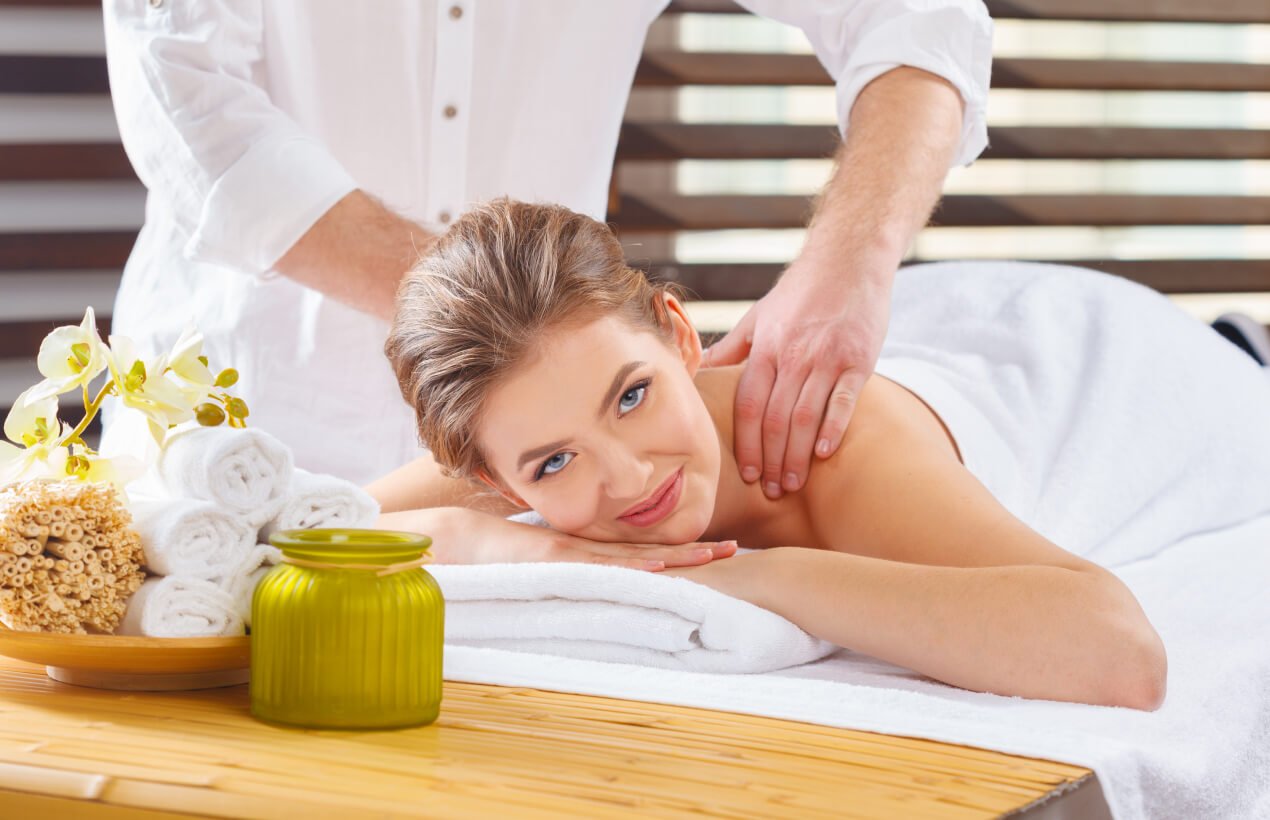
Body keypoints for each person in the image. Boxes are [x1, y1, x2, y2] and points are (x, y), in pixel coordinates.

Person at [368, 199, 1270, 710]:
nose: (630, 476)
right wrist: (500, 541)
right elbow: (309, 530)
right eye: (551, 467)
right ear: (489, 479)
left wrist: (748, 575)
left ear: (679, 334)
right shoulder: (519, 418)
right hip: (959, 330)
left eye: (633, 396)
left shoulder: (840, 454)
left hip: (1138, 364)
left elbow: (1120, 657)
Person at [100, 0, 992, 491]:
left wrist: (847, 267)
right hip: (240, 434)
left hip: (559, 483)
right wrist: (508, 326)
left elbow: (921, 15)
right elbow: (188, 106)